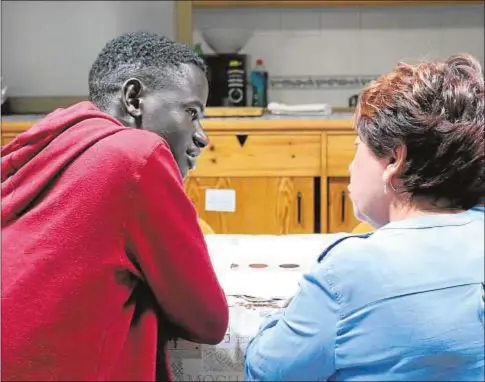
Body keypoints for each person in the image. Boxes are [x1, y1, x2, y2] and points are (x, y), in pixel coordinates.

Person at [2, 31, 229, 381]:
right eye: (191, 112)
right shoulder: (136, 156)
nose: (202, 135)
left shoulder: (50, 142)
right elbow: (208, 320)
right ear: (134, 98)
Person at [244, 53, 484, 381]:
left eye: (358, 145)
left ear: (393, 160)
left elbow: (265, 370)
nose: (350, 167)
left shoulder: (349, 270)